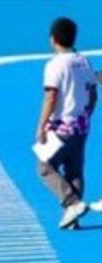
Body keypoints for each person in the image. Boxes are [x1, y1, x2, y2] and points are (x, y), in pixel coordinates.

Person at [35, 16, 97, 229]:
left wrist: (41, 126)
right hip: (81, 126)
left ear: (53, 39)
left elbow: (51, 97)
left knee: (44, 167)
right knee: (74, 170)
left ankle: (73, 204)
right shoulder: (83, 61)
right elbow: (93, 92)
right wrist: (87, 115)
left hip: (62, 128)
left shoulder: (55, 65)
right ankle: (73, 219)